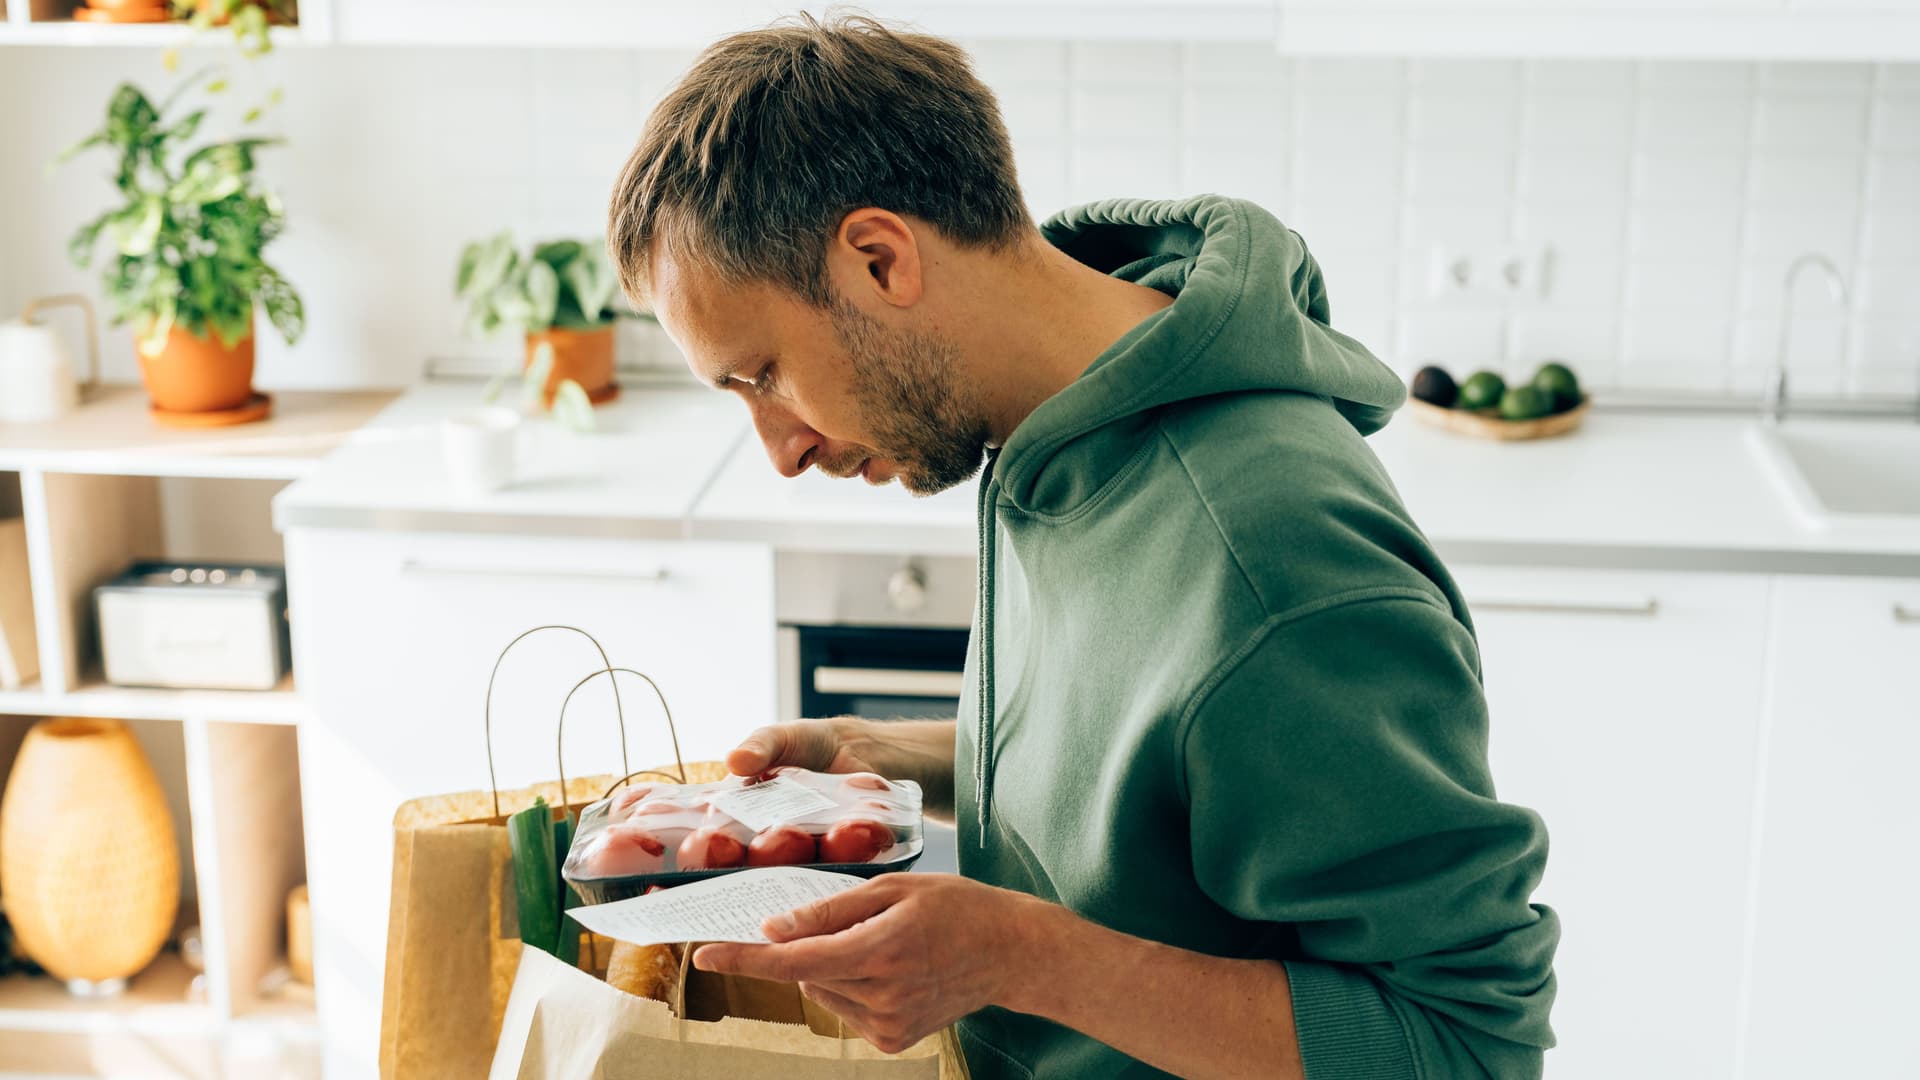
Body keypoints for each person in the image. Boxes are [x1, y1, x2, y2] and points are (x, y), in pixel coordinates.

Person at [606, 13, 1558, 1079]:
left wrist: (1020, 958)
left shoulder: (1277, 559)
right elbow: (1159, 777)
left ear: (881, 259)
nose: (778, 450)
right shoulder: (1046, 433)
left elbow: (1464, 1044)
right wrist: (891, 762)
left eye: (761, 374)